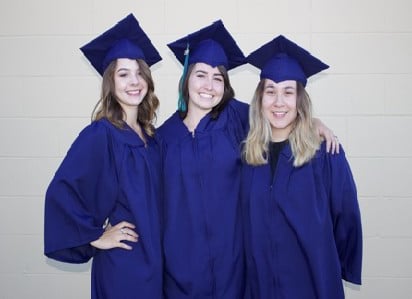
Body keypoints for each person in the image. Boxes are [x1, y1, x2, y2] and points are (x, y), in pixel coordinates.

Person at [158, 20, 339, 299]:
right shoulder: (162, 139)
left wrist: (312, 121)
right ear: (186, 79)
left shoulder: (239, 120)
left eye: (218, 77)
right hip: (181, 274)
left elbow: (277, 113)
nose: (209, 85)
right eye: (200, 75)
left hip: (236, 273)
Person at [44, 14, 163, 299]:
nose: (134, 82)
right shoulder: (101, 134)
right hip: (126, 263)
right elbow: (61, 192)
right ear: (110, 82)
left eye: (139, 73)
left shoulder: (150, 136)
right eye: (123, 74)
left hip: (156, 260)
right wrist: (97, 237)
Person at [241, 35, 362, 299]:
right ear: (260, 99)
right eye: (270, 91)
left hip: (312, 282)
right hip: (259, 285)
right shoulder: (247, 156)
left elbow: (347, 216)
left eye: (288, 92)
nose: (279, 102)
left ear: (300, 100)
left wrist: (329, 266)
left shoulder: (325, 154)